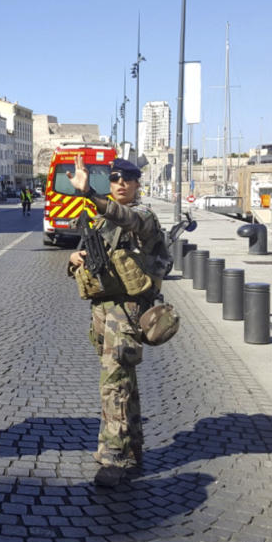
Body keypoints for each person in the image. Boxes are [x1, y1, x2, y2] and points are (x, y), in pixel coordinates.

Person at [66, 156, 168, 487]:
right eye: (115, 179)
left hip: (126, 313)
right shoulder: (101, 223)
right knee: (124, 384)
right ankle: (132, 447)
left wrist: (90, 195)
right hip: (103, 312)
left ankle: (116, 457)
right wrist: (74, 259)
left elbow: (126, 219)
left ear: (138, 184)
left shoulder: (143, 217)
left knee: (114, 386)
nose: (121, 184)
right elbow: (89, 261)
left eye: (128, 179)